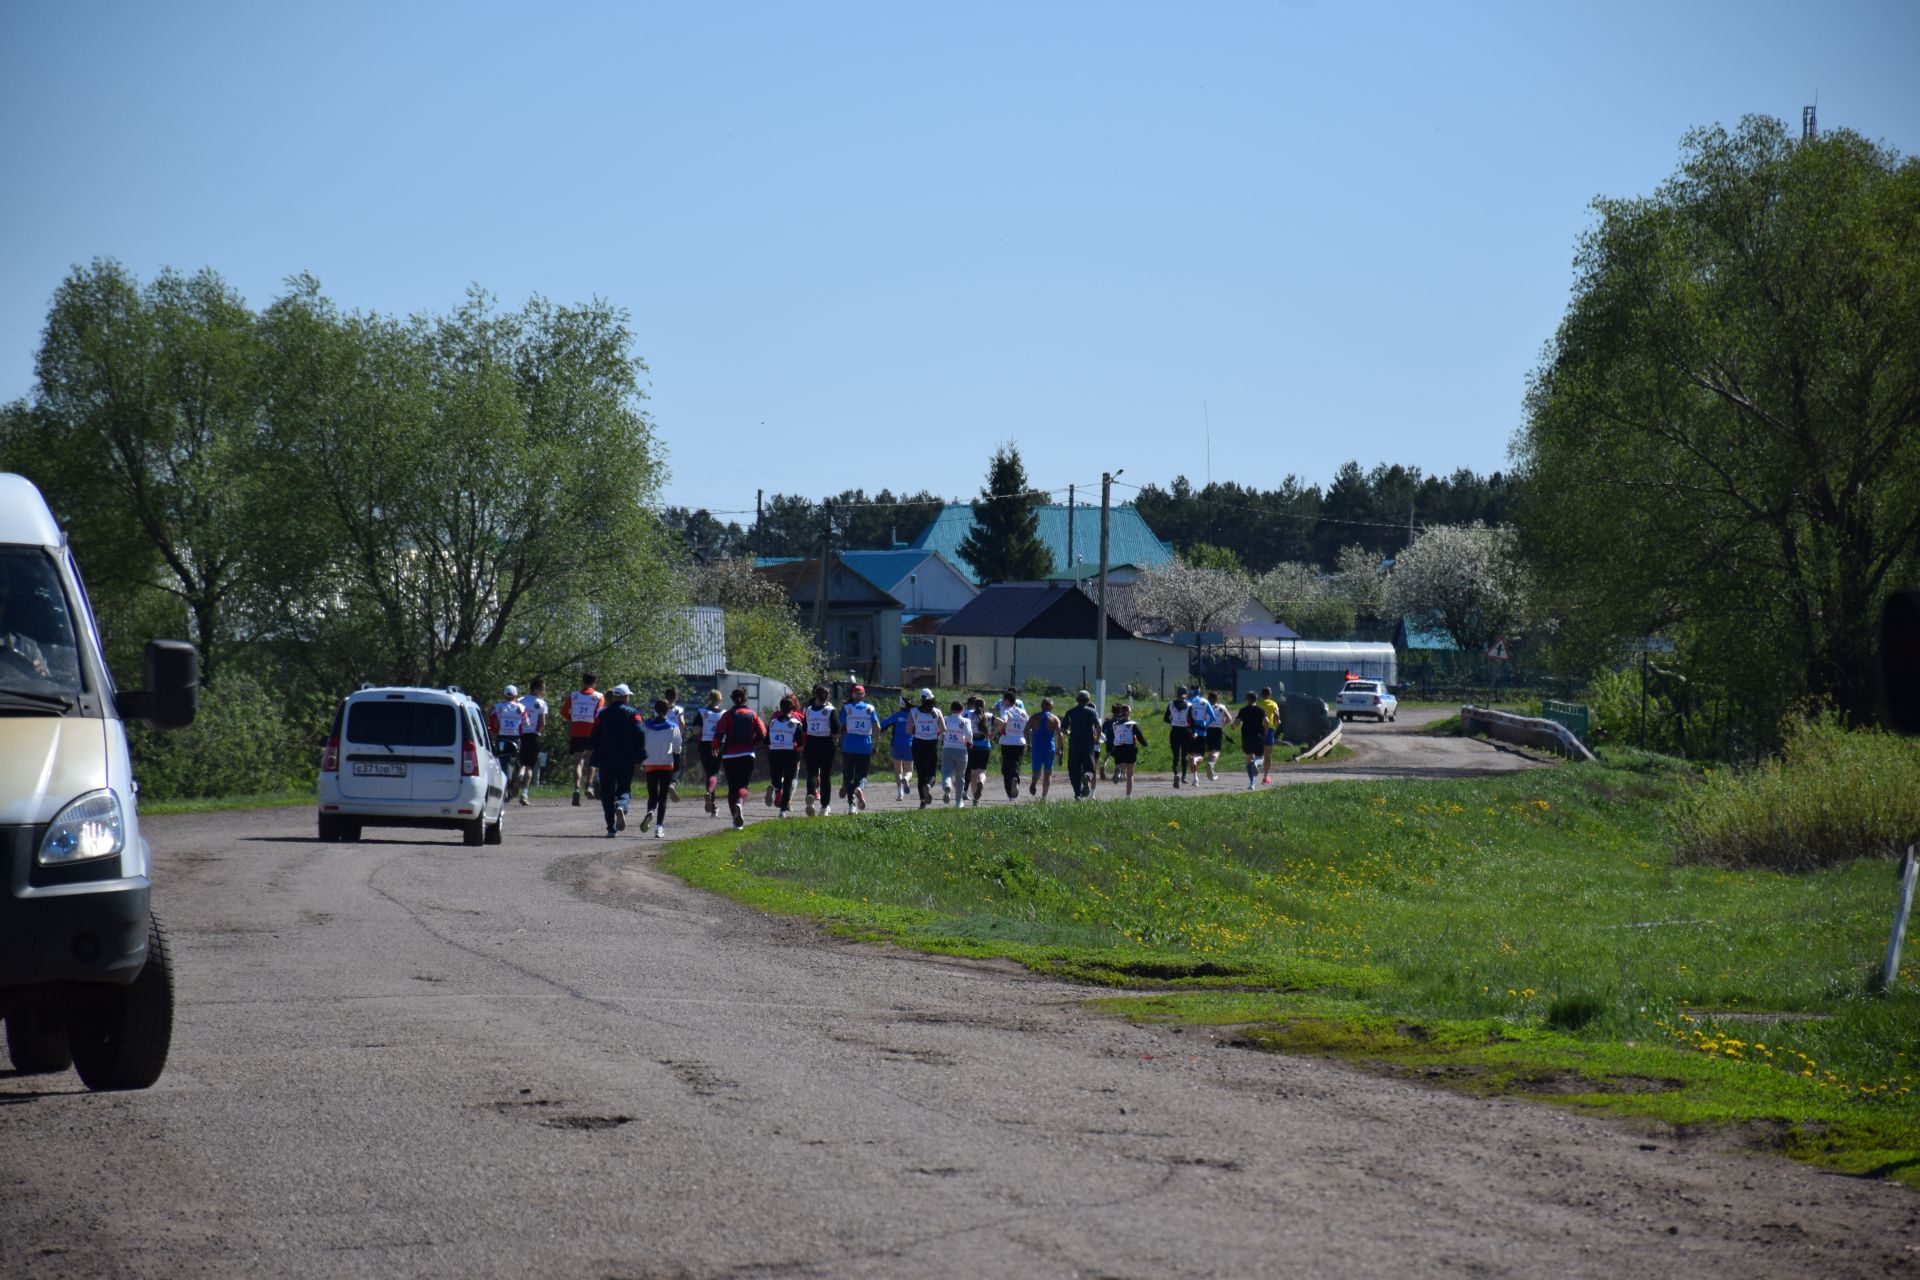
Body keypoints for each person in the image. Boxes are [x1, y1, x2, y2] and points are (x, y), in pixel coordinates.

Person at [588, 684, 643, 836]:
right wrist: (640, 756)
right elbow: (640, 733)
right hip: (626, 759)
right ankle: (622, 806)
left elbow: (595, 735)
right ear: (625, 697)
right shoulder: (633, 713)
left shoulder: (602, 714)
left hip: (606, 759)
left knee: (607, 792)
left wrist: (592, 751)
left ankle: (611, 828)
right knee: (624, 788)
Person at [709, 686, 766, 830]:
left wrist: (714, 747)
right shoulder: (753, 714)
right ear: (746, 698)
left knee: (732, 788)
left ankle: (735, 820)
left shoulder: (727, 715)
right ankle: (740, 804)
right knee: (743, 786)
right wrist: (754, 744)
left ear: (732, 700)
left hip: (730, 756)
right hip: (747, 755)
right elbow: (763, 734)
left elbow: (719, 734)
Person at [638, 699, 683, 838]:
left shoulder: (645, 725)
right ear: (668, 710)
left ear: (655, 710)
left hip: (650, 764)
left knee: (652, 795)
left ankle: (650, 811)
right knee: (662, 797)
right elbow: (677, 748)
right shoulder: (672, 726)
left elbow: (640, 742)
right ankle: (659, 828)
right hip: (666, 764)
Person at [838, 684, 878, 812]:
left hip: (849, 746)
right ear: (864, 695)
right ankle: (859, 788)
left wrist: (836, 738)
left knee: (848, 776)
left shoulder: (847, 707)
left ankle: (852, 805)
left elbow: (840, 725)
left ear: (852, 695)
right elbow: (877, 726)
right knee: (862, 775)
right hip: (864, 746)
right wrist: (876, 743)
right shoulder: (870, 708)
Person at [764, 694, 804, 817]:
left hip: (775, 754)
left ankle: (775, 788)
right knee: (788, 783)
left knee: (776, 780)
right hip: (790, 755)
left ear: (780, 708)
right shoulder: (795, 722)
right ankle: (782, 811)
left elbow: (766, 741)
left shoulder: (772, 722)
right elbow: (801, 743)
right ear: (792, 709)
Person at [567, 673, 605, 805]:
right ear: (595, 682)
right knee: (591, 761)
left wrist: (572, 719)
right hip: (591, 730)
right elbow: (600, 714)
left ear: (583, 681)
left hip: (577, 730)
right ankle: (589, 786)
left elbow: (563, 711)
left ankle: (576, 788)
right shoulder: (599, 696)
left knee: (578, 761)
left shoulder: (574, 695)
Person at [802, 685, 838, 817]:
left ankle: (811, 794)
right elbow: (835, 730)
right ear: (827, 696)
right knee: (825, 775)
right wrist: (835, 740)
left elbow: (805, 728)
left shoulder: (809, 710)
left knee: (812, 772)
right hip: (826, 743)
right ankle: (824, 807)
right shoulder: (830, 710)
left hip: (811, 743)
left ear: (815, 696)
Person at [490, 684, 529, 800]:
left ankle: (504, 790)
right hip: (515, 738)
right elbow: (526, 723)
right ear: (516, 695)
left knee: (503, 763)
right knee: (514, 762)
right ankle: (513, 781)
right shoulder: (521, 708)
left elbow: (491, 721)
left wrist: (495, 731)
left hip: (502, 738)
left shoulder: (497, 707)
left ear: (504, 695)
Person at [514, 678, 549, 805]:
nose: (544, 691)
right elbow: (542, 722)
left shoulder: (520, 700)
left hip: (519, 734)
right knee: (530, 765)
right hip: (533, 735)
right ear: (536, 689)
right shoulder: (541, 703)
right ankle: (524, 794)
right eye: (543, 688)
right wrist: (538, 730)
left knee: (521, 761)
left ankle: (519, 774)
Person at [908, 689, 943, 808]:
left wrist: (917, 731)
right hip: (931, 744)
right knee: (931, 773)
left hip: (918, 744)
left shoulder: (914, 712)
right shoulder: (937, 712)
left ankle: (922, 802)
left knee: (921, 774)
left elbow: (908, 730)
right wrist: (935, 734)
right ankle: (928, 785)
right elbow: (943, 729)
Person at [1062, 690, 1100, 800]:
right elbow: (1098, 726)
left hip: (1074, 745)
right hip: (1088, 745)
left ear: (1077, 700)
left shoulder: (1070, 712)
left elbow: (1063, 729)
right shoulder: (1092, 712)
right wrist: (1096, 739)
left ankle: (1077, 794)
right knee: (1090, 768)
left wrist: (1069, 733)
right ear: (1088, 700)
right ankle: (1087, 776)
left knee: (1074, 770)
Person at [879, 693, 915, 802]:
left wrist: (876, 732)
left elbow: (883, 724)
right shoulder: (913, 715)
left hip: (896, 745)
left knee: (898, 771)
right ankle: (907, 779)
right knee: (909, 769)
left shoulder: (896, 715)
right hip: (909, 745)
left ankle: (900, 794)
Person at [696, 690, 726, 815]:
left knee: (709, 772)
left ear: (709, 699)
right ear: (719, 700)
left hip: (704, 745)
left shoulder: (702, 712)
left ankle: (712, 804)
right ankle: (711, 798)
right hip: (718, 744)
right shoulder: (724, 714)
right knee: (713, 773)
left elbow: (696, 730)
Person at [995, 688, 1028, 801]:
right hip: (1020, 742)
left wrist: (997, 731)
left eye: (1004, 700)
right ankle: (1015, 779)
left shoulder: (1006, 710)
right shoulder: (1023, 712)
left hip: (1008, 742)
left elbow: (1004, 721)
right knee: (1016, 765)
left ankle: (1010, 795)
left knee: (1005, 768)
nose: (1003, 702)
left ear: (1008, 700)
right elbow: (1027, 727)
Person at [1027, 697, 1061, 799]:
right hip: (1049, 749)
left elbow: (1025, 730)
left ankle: (1034, 782)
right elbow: (1060, 735)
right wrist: (1059, 749)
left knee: (1036, 771)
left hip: (1037, 748)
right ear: (1052, 707)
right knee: (1047, 773)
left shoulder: (1034, 717)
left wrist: (1028, 743)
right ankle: (1043, 797)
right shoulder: (1055, 719)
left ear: (1041, 706)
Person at [1110, 703, 1147, 797]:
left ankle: (1119, 772)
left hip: (1118, 748)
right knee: (1130, 774)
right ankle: (1128, 796)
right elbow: (1139, 736)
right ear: (1129, 713)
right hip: (1130, 748)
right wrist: (1144, 744)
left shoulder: (1115, 725)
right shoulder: (1132, 724)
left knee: (1121, 766)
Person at [940, 699, 972, 806]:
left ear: (951, 709)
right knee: (960, 777)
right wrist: (970, 741)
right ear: (962, 710)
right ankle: (959, 802)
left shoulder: (946, 719)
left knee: (946, 772)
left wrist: (942, 738)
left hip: (947, 749)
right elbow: (968, 733)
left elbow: (940, 732)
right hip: (961, 750)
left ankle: (947, 786)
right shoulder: (965, 721)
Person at [1236, 691, 1270, 791]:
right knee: (1260, 758)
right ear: (1256, 699)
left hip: (1246, 737)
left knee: (1249, 759)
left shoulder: (1243, 710)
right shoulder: (1261, 710)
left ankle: (1252, 783)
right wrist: (1266, 731)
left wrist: (1233, 726)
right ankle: (1256, 762)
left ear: (1247, 700)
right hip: (1258, 737)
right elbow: (1267, 721)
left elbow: (1236, 723)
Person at [660, 685, 687, 803]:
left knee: (663, 765)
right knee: (676, 767)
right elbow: (682, 723)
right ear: (675, 697)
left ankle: (663, 786)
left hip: (661, 740)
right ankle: (672, 783)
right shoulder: (679, 710)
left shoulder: (658, 709)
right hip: (674, 740)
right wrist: (679, 735)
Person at [965, 696, 993, 806]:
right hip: (985, 746)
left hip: (972, 746)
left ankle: (975, 799)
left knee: (973, 774)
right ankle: (981, 782)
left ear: (974, 705)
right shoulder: (989, 716)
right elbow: (1002, 722)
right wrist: (992, 734)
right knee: (982, 772)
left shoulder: (969, 716)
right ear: (984, 706)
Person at [1165, 687, 1194, 789]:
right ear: (1186, 694)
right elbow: (1192, 720)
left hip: (1175, 732)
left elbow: (1165, 718)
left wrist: (1173, 722)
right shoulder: (1189, 705)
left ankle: (1176, 773)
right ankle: (1184, 776)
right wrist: (1193, 732)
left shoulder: (1171, 704)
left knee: (1176, 755)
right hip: (1186, 732)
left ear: (1176, 694)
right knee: (1184, 755)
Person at [1205, 690, 1231, 781]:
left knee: (1210, 751)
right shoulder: (1222, 707)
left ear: (1208, 698)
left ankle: (1211, 773)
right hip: (1217, 730)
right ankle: (1211, 764)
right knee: (1216, 751)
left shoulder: (1206, 707)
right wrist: (1223, 723)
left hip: (1207, 731)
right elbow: (1229, 719)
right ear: (1217, 699)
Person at [1259, 685, 1283, 783]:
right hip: (1269, 730)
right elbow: (1276, 715)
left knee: (1259, 753)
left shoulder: (1258, 703)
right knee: (1268, 755)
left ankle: (1256, 765)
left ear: (1261, 695)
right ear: (1270, 695)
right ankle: (1266, 776)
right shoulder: (1273, 704)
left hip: (1258, 730)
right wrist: (1278, 722)